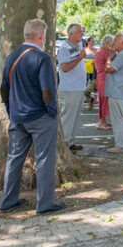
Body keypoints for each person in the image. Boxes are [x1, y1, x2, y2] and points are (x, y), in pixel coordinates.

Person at [0, 19, 64, 215]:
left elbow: (4, 88)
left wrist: (11, 111)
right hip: (40, 117)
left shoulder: (12, 56)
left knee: (14, 159)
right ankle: (44, 204)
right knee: (44, 159)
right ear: (41, 36)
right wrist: (52, 112)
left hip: (18, 116)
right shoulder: (42, 58)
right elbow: (47, 90)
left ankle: (7, 201)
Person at [56, 23, 88, 152]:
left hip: (77, 87)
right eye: (79, 32)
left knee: (74, 116)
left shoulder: (76, 46)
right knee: (68, 116)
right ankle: (64, 144)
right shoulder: (65, 48)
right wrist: (80, 57)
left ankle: (70, 141)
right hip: (70, 87)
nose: (82, 34)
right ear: (71, 33)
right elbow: (64, 67)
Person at [94, 35, 113, 130]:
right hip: (103, 77)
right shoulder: (101, 52)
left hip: (104, 76)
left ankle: (103, 120)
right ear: (107, 43)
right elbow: (100, 67)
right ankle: (101, 121)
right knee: (103, 99)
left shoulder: (104, 51)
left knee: (105, 99)